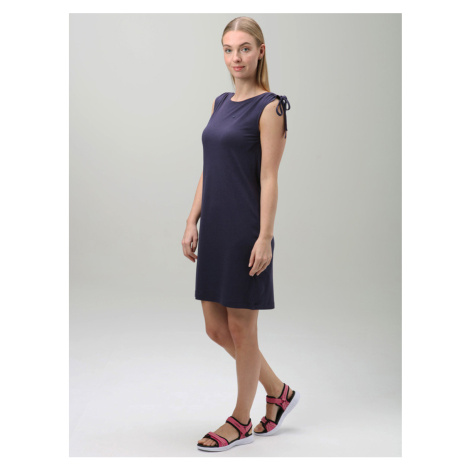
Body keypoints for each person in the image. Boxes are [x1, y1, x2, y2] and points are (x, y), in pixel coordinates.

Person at [181, 16, 300, 452]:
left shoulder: (271, 107)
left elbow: (269, 177)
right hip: (215, 226)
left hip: (245, 229)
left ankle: (240, 419)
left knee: (242, 329)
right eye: (229, 49)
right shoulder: (220, 102)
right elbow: (210, 167)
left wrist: (265, 236)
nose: (236, 57)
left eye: (245, 48)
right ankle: (279, 392)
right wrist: (192, 219)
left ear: (260, 51)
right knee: (216, 329)